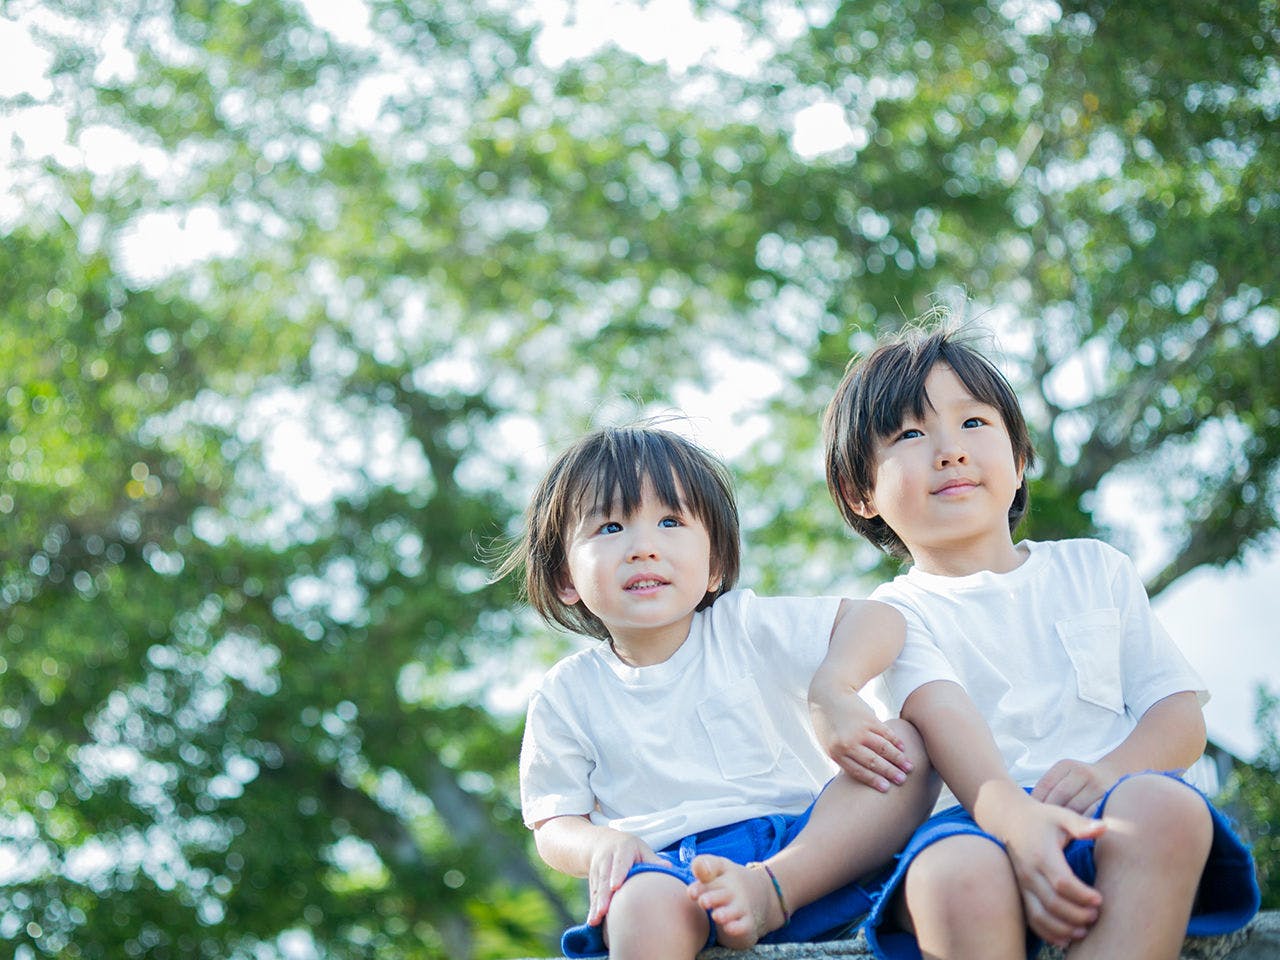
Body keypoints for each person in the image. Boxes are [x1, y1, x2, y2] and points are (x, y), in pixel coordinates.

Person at [821, 324, 1260, 960]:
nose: (949, 450)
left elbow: (1178, 714)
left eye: (974, 424)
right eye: (911, 435)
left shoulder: (1094, 568)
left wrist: (1110, 770)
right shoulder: (894, 613)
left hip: (1107, 801)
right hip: (972, 823)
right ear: (861, 493)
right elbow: (945, 726)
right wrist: (1016, 823)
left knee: (1171, 808)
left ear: (1020, 456)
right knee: (952, 877)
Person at [499, 423, 938, 959]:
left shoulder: (744, 625)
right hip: (670, 871)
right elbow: (553, 821)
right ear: (566, 576)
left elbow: (879, 619)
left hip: (811, 851)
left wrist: (833, 688)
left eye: (669, 521)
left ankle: (774, 893)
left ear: (714, 566)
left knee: (907, 746)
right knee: (638, 903)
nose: (643, 548)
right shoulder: (566, 693)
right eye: (611, 528)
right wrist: (603, 845)